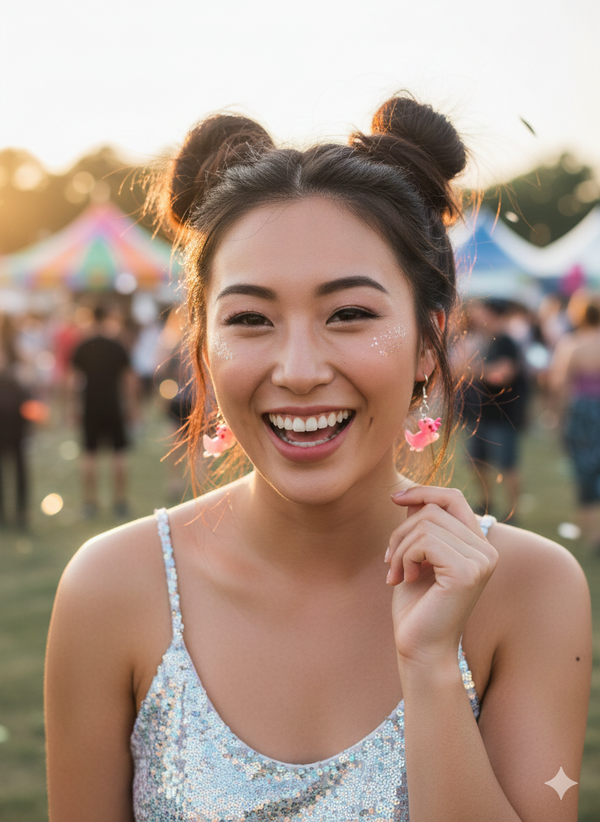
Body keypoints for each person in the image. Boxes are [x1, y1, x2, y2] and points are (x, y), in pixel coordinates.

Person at [45, 95, 591, 821]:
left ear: (429, 342)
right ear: (203, 349)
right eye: (250, 320)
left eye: (350, 314)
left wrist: (431, 669)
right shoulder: (111, 589)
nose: (299, 369)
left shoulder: (530, 591)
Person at [461, 298, 530, 522]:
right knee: (476, 461)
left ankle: (513, 512)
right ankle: (485, 502)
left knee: (507, 464)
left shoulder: (506, 341)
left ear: (492, 314)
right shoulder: (488, 341)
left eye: (481, 312)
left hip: (503, 414)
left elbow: (502, 375)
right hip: (483, 413)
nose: (477, 316)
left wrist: (472, 369)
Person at [68, 305, 138, 518]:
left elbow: (72, 381)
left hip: (90, 404)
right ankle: (120, 502)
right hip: (113, 404)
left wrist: (73, 406)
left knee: (89, 454)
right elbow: (129, 379)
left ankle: (90, 503)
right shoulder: (117, 345)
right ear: (108, 317)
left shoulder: (83, 345)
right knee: (119, 453)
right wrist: (132, 405)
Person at [549, 291, 600, 553]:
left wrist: (558, 417)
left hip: (582, 412)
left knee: (585, 470)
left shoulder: (572, 344)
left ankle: (592, 532)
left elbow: (560, 385)